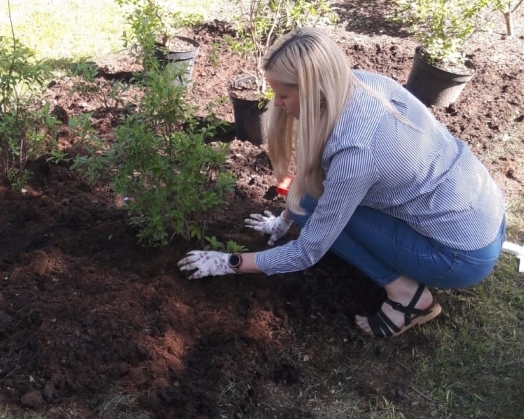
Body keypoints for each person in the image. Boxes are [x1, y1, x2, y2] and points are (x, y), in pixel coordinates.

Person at [179, 27, 506, 339]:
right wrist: (282, 221)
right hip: (484, 212)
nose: (276, 103)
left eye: (282, 94)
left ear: (311, 91)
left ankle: (408, 297)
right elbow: (312, 178)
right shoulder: (362, 84)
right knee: (306, 201)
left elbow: (308, 252)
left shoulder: (356, 152)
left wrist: (229, 262)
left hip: (461, 257)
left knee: (310, 208)